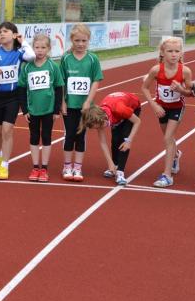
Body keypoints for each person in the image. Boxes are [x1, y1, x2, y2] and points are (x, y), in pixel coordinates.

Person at [0, 21, 35, 180]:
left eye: (5, 31)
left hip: (13, 96)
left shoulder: (19, 52)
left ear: (14, 34)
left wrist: (23, 41)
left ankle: (5, 165)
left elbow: (32, 56)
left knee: (7, 129)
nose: (2, 34)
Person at [141, 36, 193, 188]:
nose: (174, 54)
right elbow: (144, 88)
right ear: (162, 53)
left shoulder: (185, 71)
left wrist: (181, 89)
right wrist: (154, 105)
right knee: (167, 137)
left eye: (177, 51)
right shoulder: (156, 70)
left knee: (168, 137)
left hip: (177, 107)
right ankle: (176, 155)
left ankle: (167, 175)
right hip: (162, 108)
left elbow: (190, 92)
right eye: (170, 51)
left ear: (181, 53)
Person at [60, 23, 103, 182]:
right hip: (69, 105)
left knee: (81, 136)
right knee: (69, 134)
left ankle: (77, 167)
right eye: (77, 40)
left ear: (88, 40)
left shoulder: (92, 59)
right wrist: (62, 102)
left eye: (84, 41)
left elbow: (96, 81)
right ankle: (67, 166)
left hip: (85, 106)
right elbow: (61, 82)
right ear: (72, 40)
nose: (80, 44)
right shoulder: (66, 58)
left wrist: (88, 102)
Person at [17, 33, 64, 182]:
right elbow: (21, 89)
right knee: (34, 137)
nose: (40, 50)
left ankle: (44, 168)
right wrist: (24, 110)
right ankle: (35, 167)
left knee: (46, 137)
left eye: (43, 47)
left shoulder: (53, 66)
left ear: (48, 49)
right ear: (33, 48)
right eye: (37, 47)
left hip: (48, 110)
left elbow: (59, 88)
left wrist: (56, 110)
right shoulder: (27, 67)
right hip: (33, 110)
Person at [79, 92, 142, 186]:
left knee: (124, 138)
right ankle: (114, 165)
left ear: (102, 119)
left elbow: (137, 121)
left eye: (99, 126)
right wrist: (110, 163)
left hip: (132, 107)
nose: (100, 128)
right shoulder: (98, 118)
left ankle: (120, 172)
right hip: (115, 110)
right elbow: (103, 142)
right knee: (115, 139)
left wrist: (129, 140)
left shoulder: (120, 109)